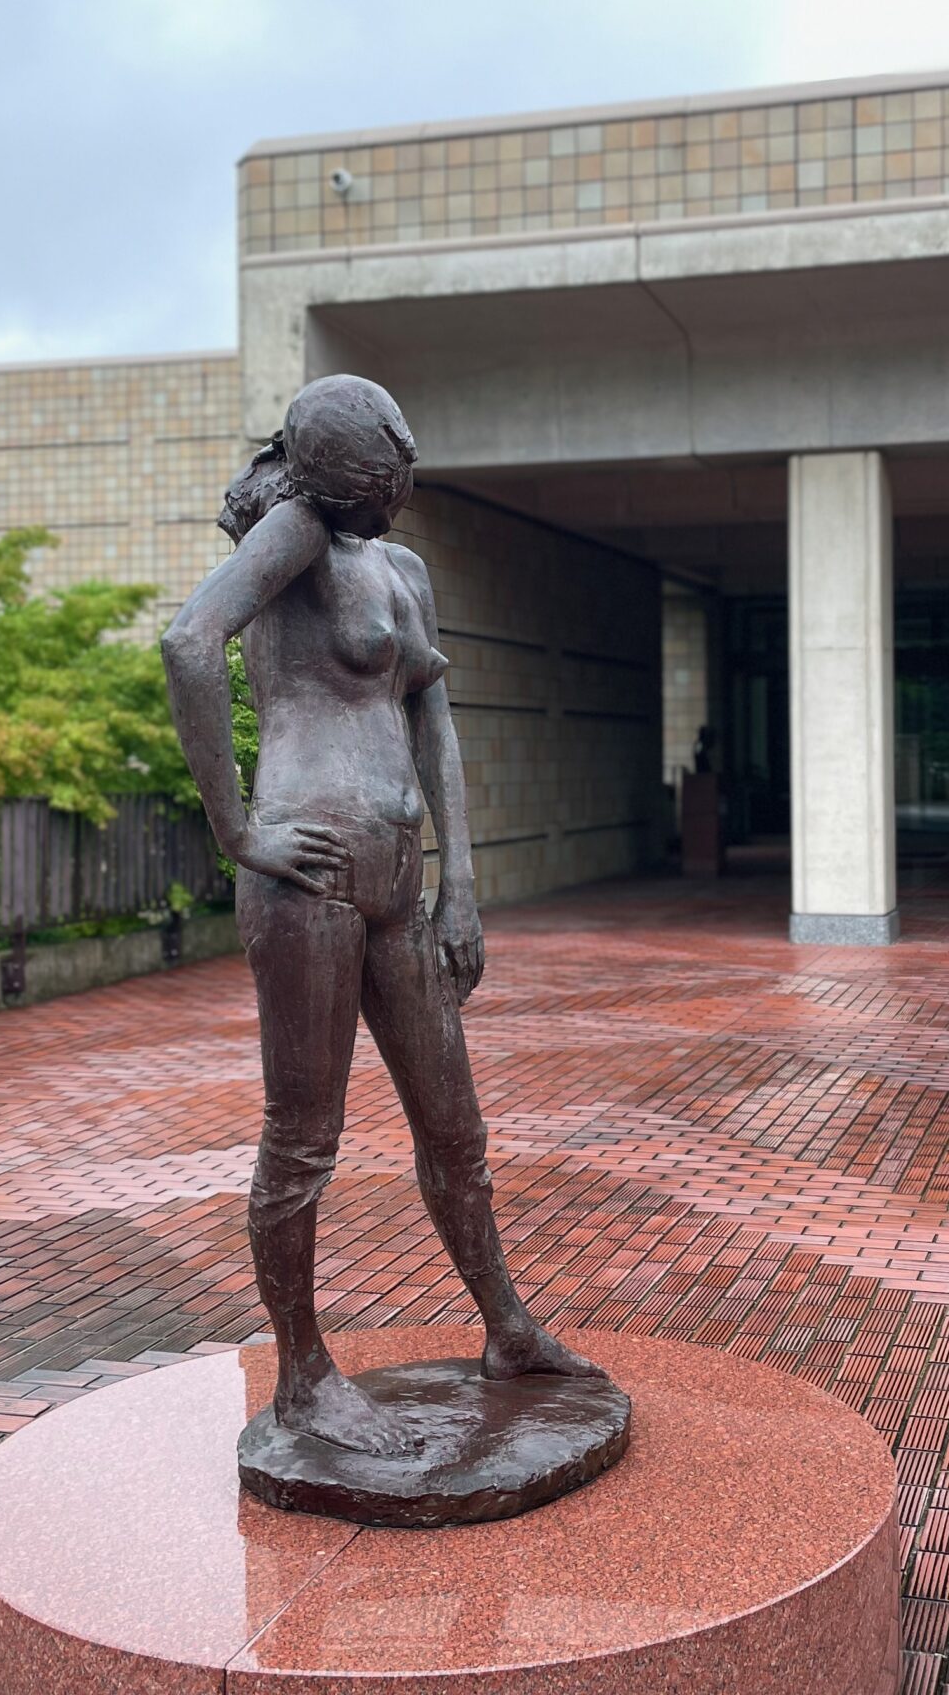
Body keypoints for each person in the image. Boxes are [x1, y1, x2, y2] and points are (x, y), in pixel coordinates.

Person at [160, 374, 595, 1457]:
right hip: (307, 874)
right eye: (386, 474)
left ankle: (506, 1327)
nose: (402, 491)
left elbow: (434, 718)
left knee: (455, 1128)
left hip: (400, 880)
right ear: (337, 474)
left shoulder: (402, 569)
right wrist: (237, 831)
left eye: (405, 470)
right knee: (303, 1140)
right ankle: (303, 1376)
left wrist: (462, 883)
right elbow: (187, 642)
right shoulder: (295, 536)